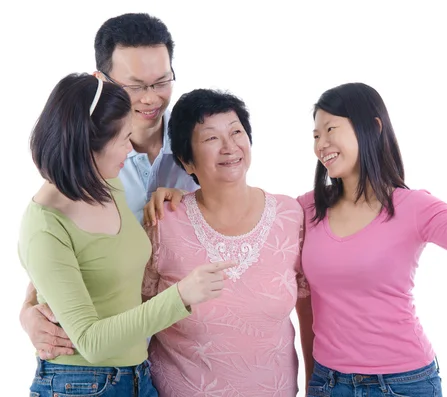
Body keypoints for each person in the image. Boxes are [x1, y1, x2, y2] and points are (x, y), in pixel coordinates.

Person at [145, 83, 447, 397]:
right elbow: (235, 204)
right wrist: (177, 193)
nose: (321, 144)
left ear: (371, 128)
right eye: (315, 134)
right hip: (329, 382)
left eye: (331, 130)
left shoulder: (415, 207)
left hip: (404, 381)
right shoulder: (304, 210)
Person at [19, 73, 234, 396]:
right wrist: (181, 296)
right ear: (89, 145)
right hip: (78, 383)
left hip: (137, 375)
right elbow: (90, 341)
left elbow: (94, 264)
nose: (129, 149)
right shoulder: (45, 225)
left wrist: (172, 200)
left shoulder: (107, 183)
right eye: (123, 139)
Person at [19, 13, 197, 362]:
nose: (150, 99)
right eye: (135, 86)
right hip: (106, 362)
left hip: (185, 355)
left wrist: (195, 201)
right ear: (100, 80)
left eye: (161, 81)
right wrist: (26, 311)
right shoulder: (89, 166)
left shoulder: (202, 144)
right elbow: (57, 256)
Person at [141, 88, 307, 396]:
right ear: (186, 161)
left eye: (236, 132)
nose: (229, 146)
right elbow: (134, 315)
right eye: (211, 138)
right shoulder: (163, 222)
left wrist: (315, 388)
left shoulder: (291, 215)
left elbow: (309, 307)